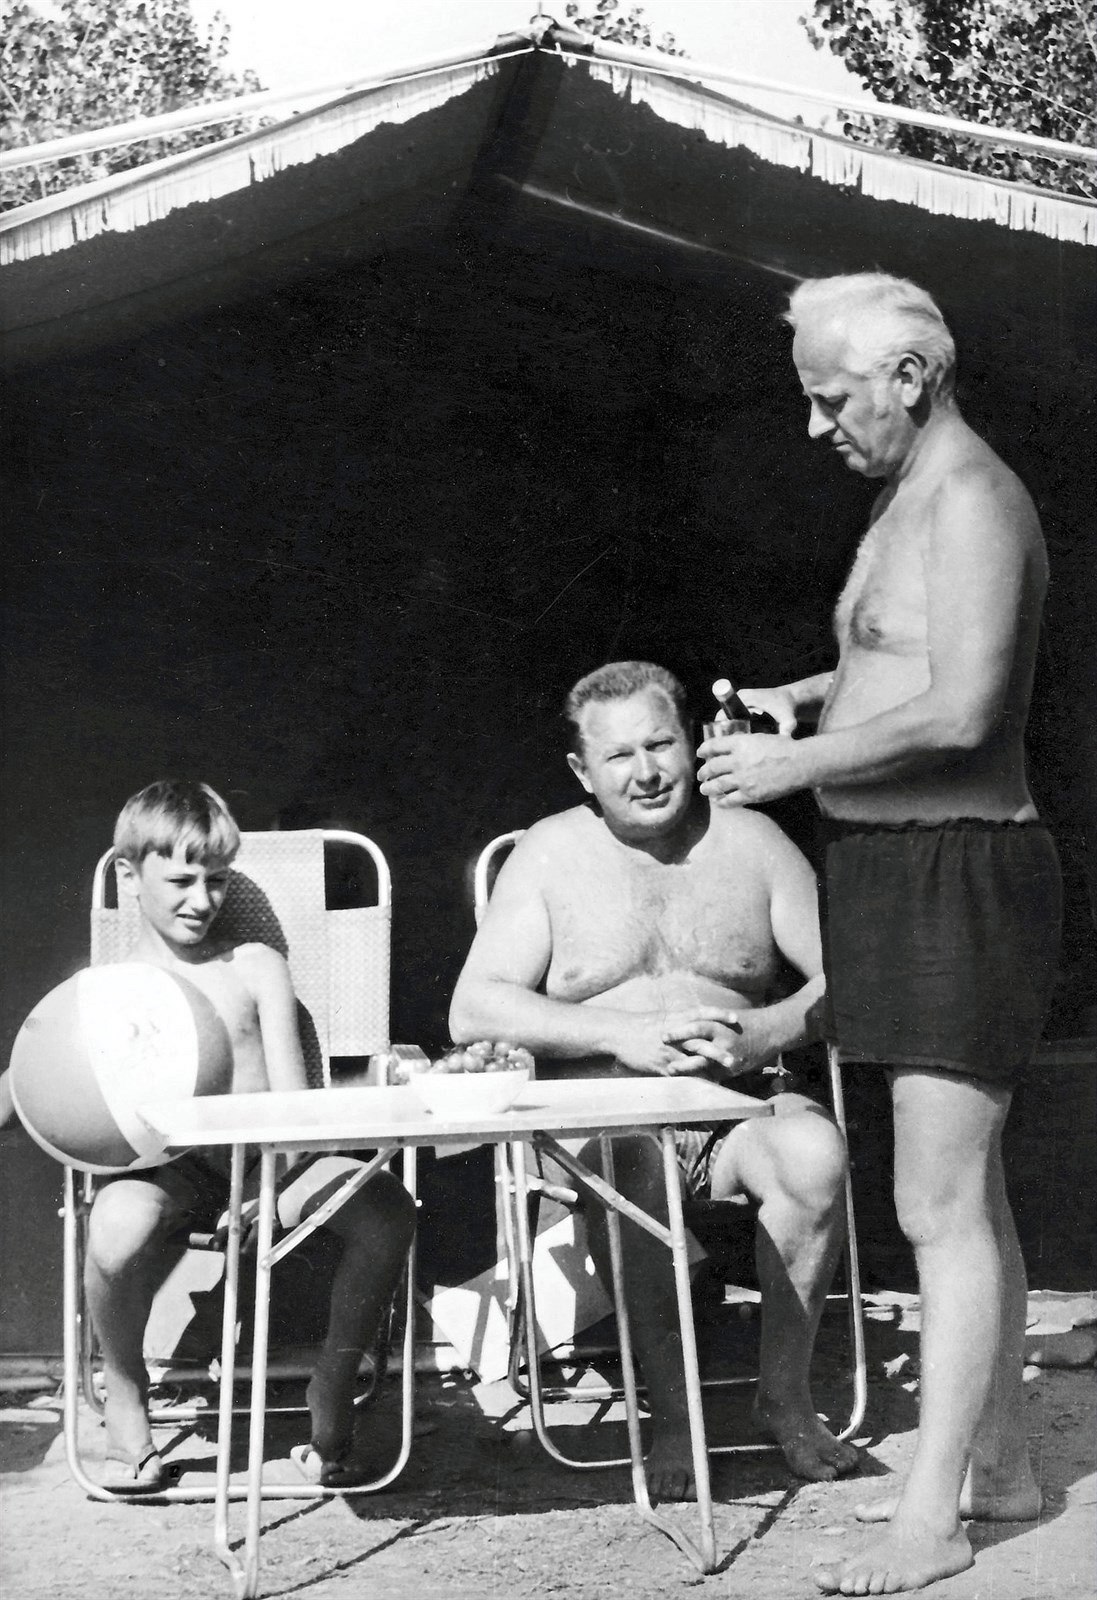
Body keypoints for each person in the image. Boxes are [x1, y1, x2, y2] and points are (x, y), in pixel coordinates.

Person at [697, 273, 1062, 1594]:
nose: (816, 427)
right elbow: (895, 660)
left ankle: (931, 1520)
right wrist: (805, 699)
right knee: (969, 1197)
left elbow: (964, 709)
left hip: (958, 871)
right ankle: (999, 1470)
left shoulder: (970, 499)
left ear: (907, 378)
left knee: (933, 1204)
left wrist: (793, 770)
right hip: (894, 872)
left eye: (831, 398)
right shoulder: (904, 496)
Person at [449, 660, 858, 1502]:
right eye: (618, 755)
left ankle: (783, 1397)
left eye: (660, 744)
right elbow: (474, 1007)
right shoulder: (550, 853)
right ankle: (674, 1414)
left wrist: (767, 1029)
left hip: (738, 1105)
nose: (645, 772)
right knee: (635, 1166)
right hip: (607, 1117)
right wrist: (619, 1035)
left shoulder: (753, 844)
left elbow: (850, 980)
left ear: (694, 740)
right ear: (582, 771)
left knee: (814, 1154)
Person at [0, 780, 416, 1492]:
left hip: (270, 1164)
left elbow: (295, 1106)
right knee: (114, 1228)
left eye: (217, 880)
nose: (202, 900)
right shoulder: (107, 989)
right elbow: (30, 1082)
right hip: (169, 1172)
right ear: (129, 876)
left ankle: (332, 1377)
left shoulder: (254, 967)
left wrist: (271, 1183)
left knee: (387, 1213)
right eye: (181, 882)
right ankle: (125, 1392)